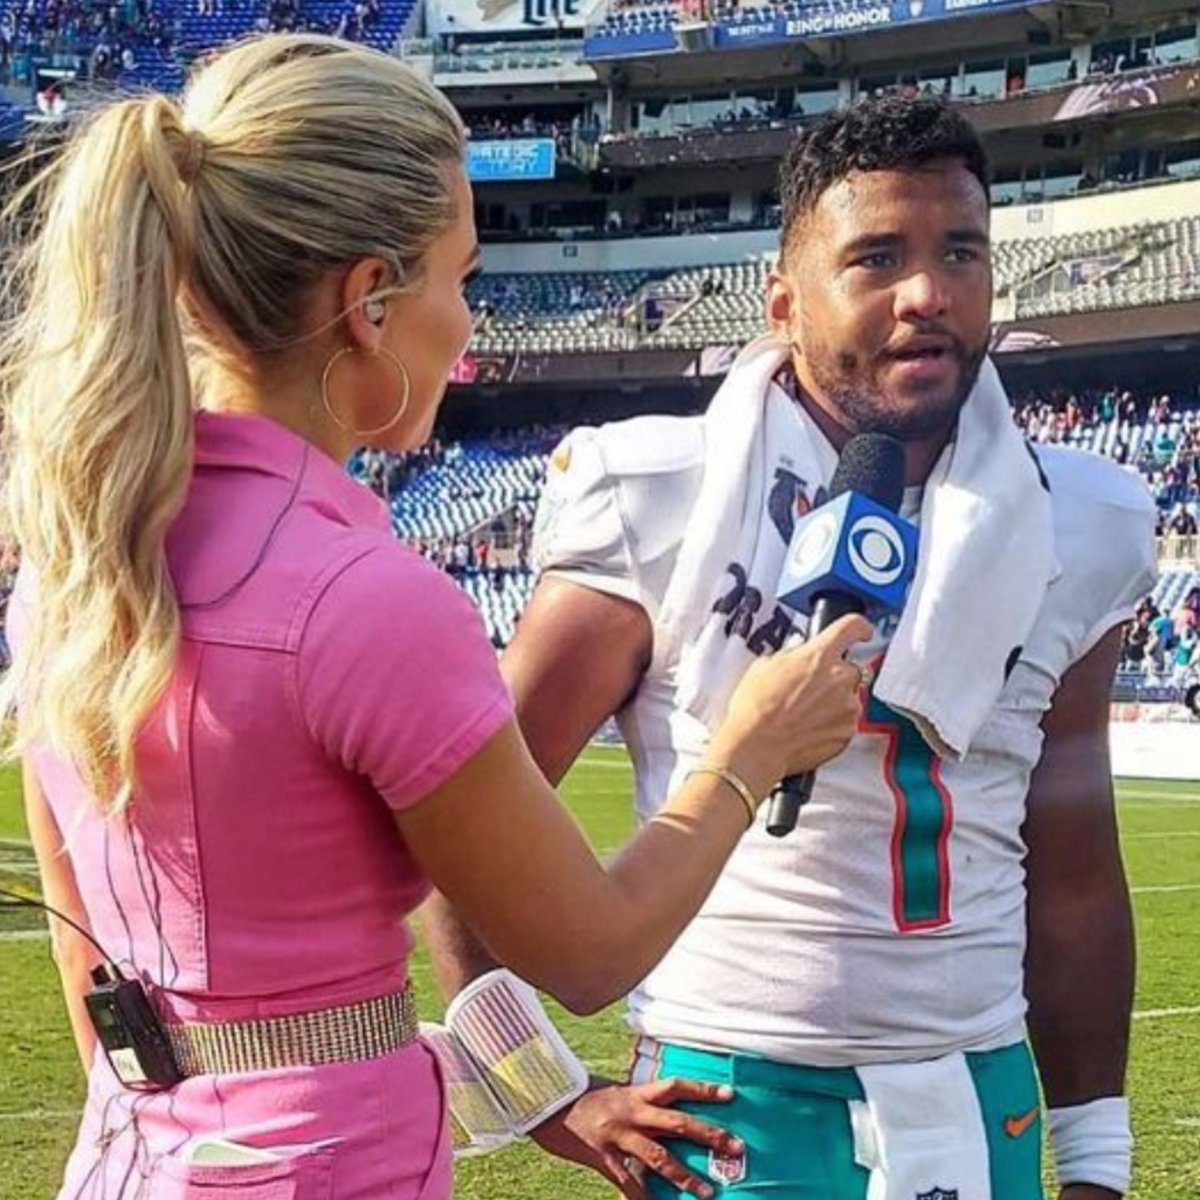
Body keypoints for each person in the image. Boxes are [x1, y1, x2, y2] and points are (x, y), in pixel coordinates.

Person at [0, 34, 870, 1200]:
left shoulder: (77, 557)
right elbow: (589, 946)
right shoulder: (364, 600)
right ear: (369, 299)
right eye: (462, 277)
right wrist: (752, 747)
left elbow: (89, 969)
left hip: (126, 1158)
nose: (469, 321)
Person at [423, 97, 1156, 1200]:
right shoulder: (655, 496)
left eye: (962, 251)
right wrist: (545, 1094)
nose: (928, 293)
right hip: (731, 1102)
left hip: (978, 1091)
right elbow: (463, 827)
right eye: (875, 258)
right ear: (782, 300)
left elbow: (1072, 869)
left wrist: (1095, 1156)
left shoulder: (1082, 518)